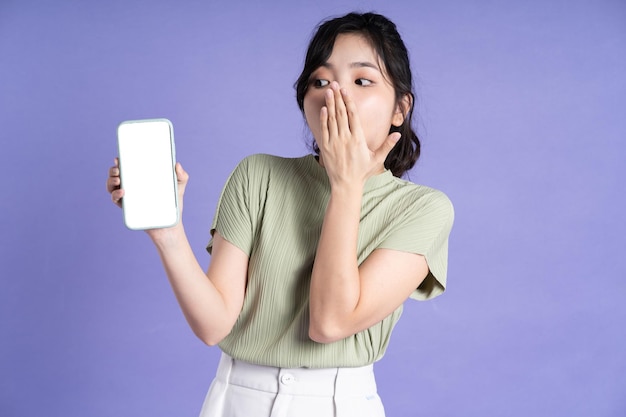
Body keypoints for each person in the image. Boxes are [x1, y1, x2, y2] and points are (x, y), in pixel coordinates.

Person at [107, 11, 453, 417]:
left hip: (340, 404)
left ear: (401, 107)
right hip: (235, 398)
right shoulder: (259, 175)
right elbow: (213, 324)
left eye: (362, 81)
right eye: (321, 81)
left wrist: (346, 185)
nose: (336, 95)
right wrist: (167, 233)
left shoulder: (423, 209)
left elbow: (331, 323)